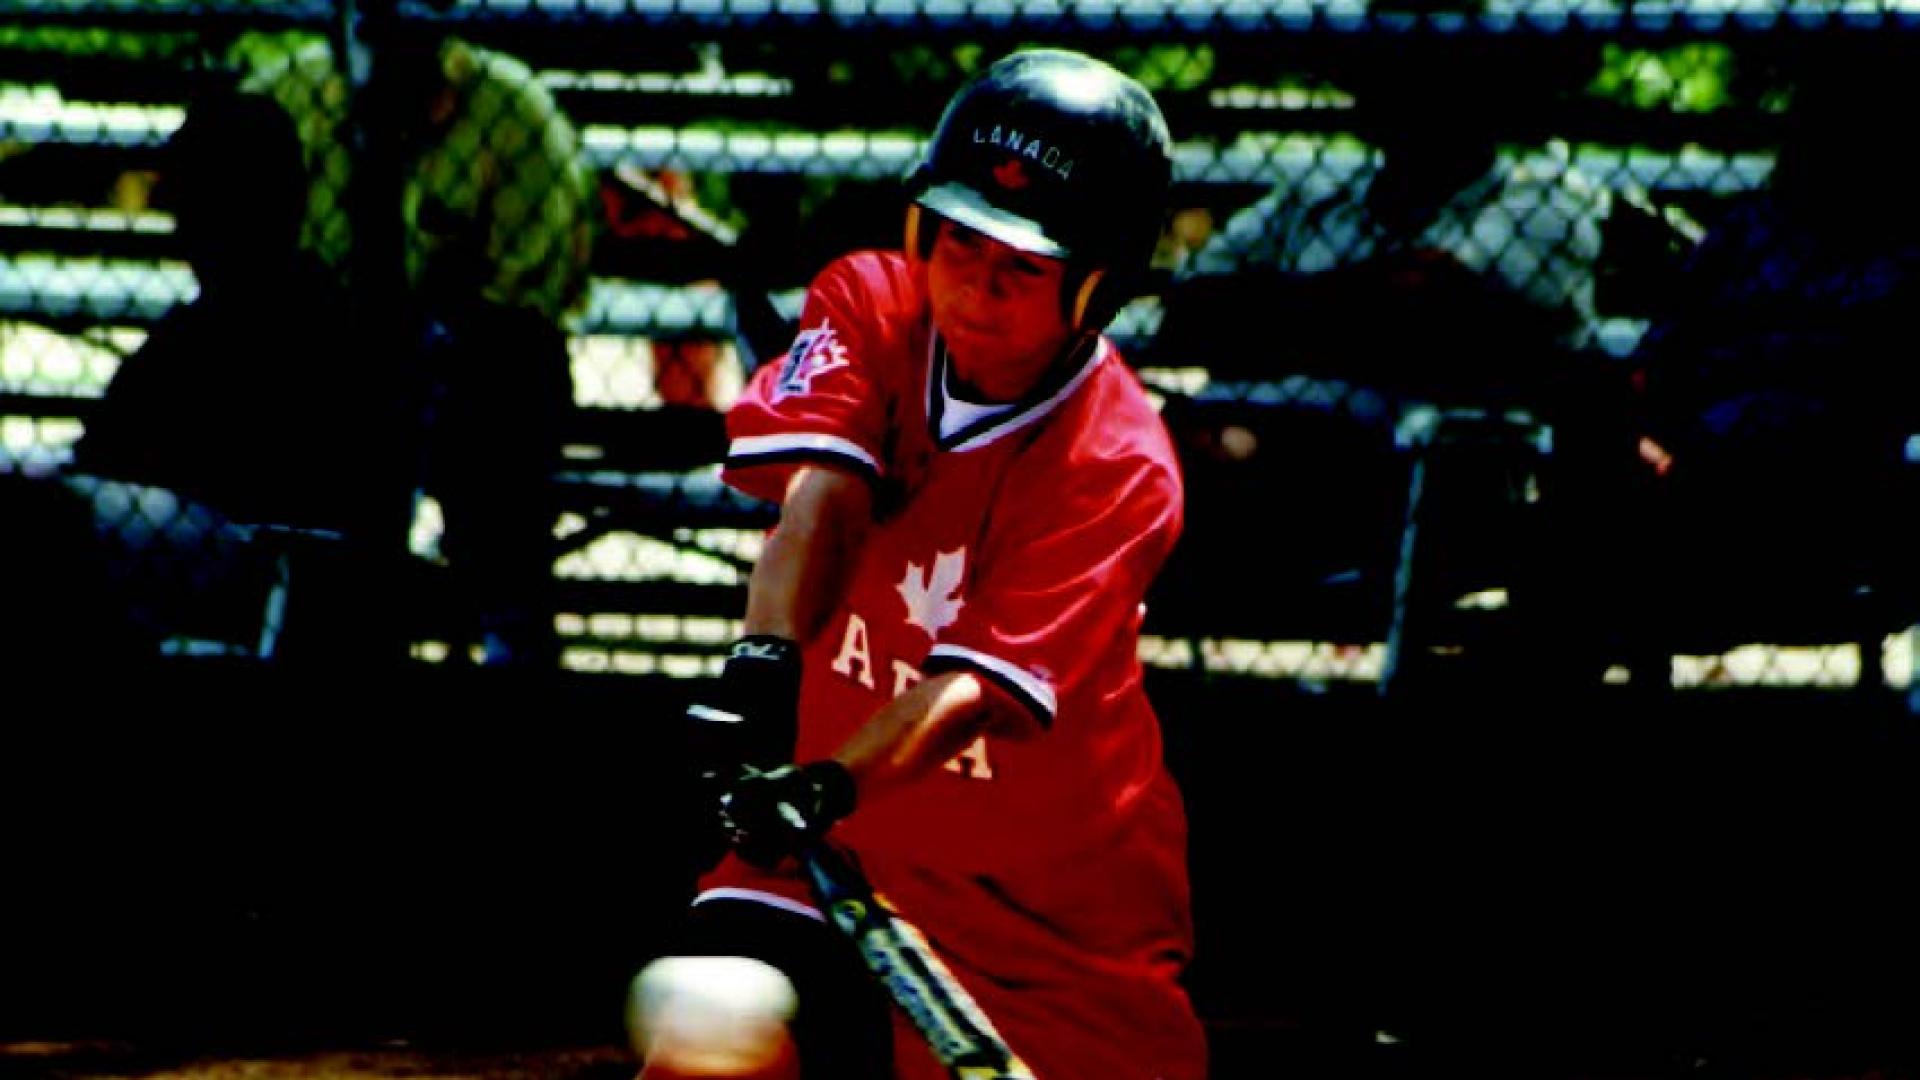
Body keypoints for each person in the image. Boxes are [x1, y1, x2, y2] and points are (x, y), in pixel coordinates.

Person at [631, 49, 1208, 1080]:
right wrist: (766, 662)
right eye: (957, 240)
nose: (974, 285)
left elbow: (972, 693)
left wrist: (829, 783)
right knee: (709, 1024)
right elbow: (826, 497)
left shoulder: (1119, 465)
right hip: (834, 855)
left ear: (1097, 289)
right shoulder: (871, 306)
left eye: (1022, 267)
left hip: (1045, 913)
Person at [242, 10, 596, 666]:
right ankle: (336, 635)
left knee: (503, 378)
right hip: (323, 359)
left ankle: (508, 640)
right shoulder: (288, 95)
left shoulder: (512, 111)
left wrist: (432, 333)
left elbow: (528, 299)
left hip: (474, 368)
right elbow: (240, 257)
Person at [70, 80, 414, 662]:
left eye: (190, 199)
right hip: (240, 558)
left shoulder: (239, 330)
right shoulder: (322, 314)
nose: (178, 224)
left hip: (249, 565)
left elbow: (109, 457)